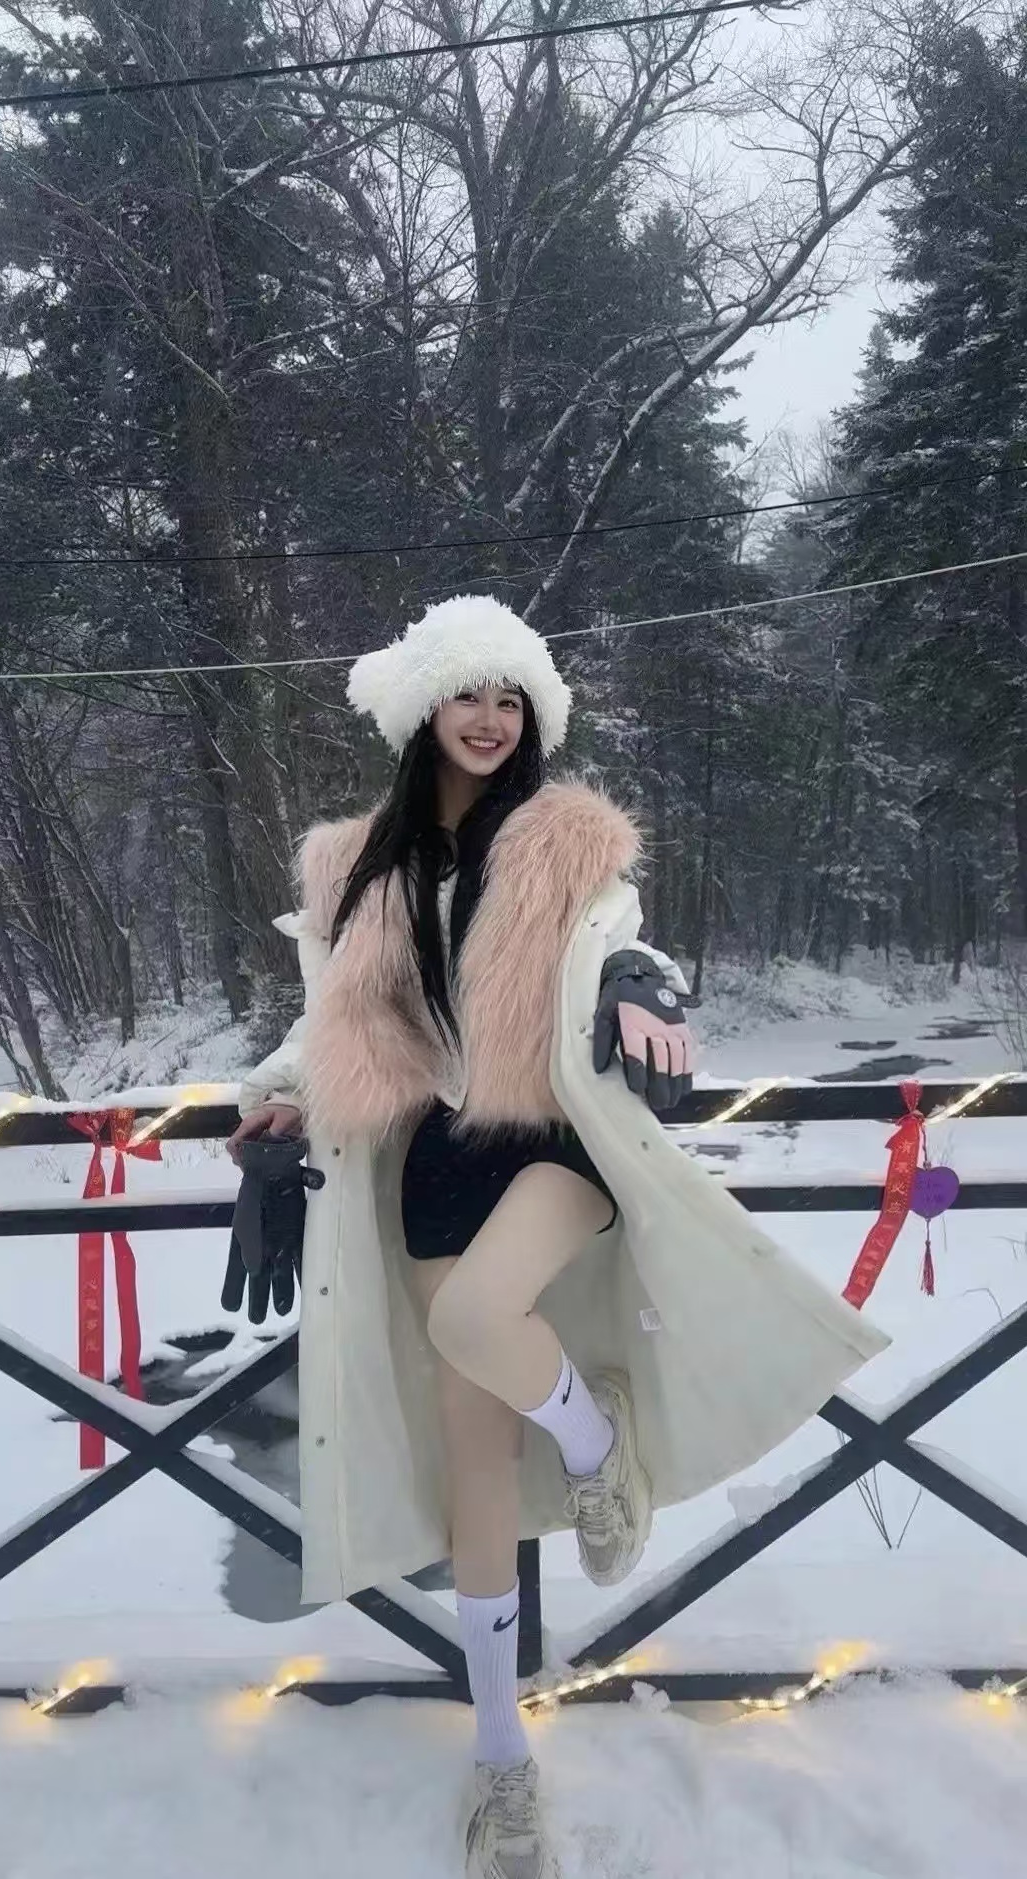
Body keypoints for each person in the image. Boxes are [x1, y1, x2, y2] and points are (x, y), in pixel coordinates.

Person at [227, 594, 888, 1879]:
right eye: (469, 694)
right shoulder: (366, 866)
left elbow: (621, 950)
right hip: (437, 1162)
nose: (489, 718)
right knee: (473, 1466)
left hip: (555, 1147)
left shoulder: (567, 844)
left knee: (474, 1319)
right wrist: (276, 1102)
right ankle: (501, 1761)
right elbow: (338, 1021)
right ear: (426, 709)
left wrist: (648, 982)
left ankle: (598, 1443)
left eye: (510, 698)